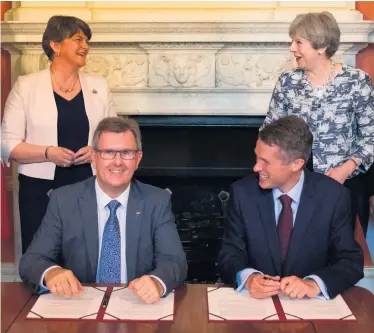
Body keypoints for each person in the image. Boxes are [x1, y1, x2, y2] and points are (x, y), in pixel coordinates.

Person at [19, 117, 187, 304]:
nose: (117, 162)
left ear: (138, 159)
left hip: (136, 305)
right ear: (93, 158)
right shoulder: (64, 200)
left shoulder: (157, 201)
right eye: (108, 152)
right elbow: (31, 260)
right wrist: (51, 273)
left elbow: (174, 260)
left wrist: (156, 282)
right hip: (79, 304)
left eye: (126, 153)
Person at [1, 16, 117, 253]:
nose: (85, 46)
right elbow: (7, 144)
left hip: (89, 184)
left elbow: (114, 137)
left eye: (86, 41)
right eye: (78, 39)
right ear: (55, 45)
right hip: (39, 189)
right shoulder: (26, 86)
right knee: (43, 255)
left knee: (88, 254)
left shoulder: (99, 86)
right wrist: (48, 152)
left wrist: (96, 151)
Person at [218, 116, 364, 300]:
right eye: (257, 157)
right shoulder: (242, 193)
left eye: (266, 162)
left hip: (309, 309)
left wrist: (314, 284)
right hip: (256, 307)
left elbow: (350, 261)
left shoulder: (333, 196)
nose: (256, 167)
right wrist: (248, 278)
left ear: (296, 164)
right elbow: (229, 254)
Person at [262, 12, 374, 236]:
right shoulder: (288, 82)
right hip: (295, 186)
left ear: (321, 46)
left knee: (336, 254)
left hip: (343, 187)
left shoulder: (357, 81)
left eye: (298, 42)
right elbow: (268, 132)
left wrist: (345, 170)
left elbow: (371, 136)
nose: (292, 48)